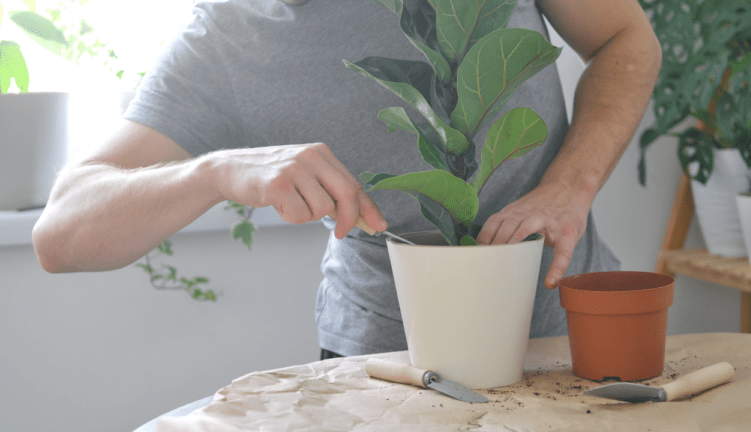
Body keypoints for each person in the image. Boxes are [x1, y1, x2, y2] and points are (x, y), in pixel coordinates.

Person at [32, 0, 661, 359]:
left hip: (571, 326)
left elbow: (624, 38)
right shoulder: (223, 40)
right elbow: (61, 234)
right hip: (384, 359)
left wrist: (568, 189)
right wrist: (216, 172)